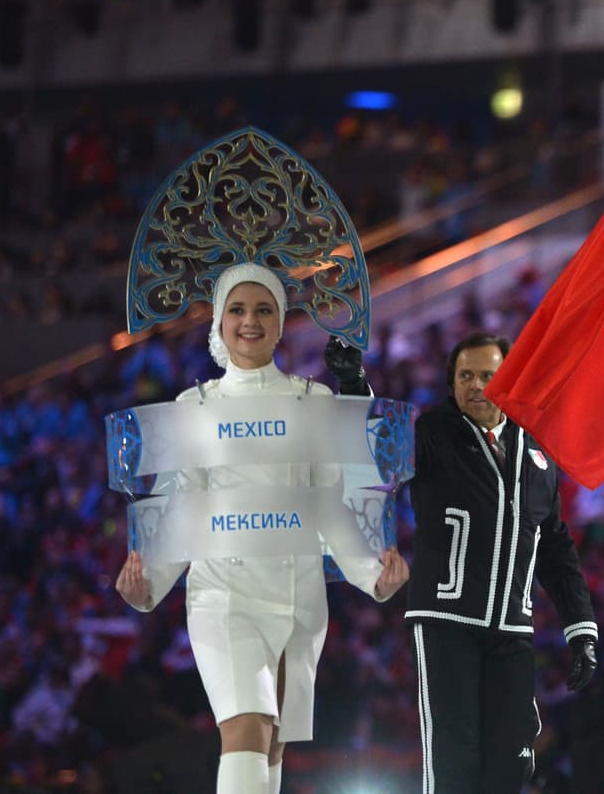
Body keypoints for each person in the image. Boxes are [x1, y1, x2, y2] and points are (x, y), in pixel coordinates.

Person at [115, 262, 410, 794]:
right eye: (237, 310)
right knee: (246, 729)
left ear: (279, 323)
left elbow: (329, 503)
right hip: (224, 596)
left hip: (298, 597)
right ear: (220, 321)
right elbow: (182, 505)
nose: (249, 321)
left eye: (263, 310)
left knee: (271, 741)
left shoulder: (313, 402)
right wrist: (149, 585)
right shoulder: (194, 407)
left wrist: (373, 575)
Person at [405, 332, 598, 792]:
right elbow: (376, 451)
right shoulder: (431, 435)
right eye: (465, 375)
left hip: (512, 630)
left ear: (510, 379)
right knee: (455, 761)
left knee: (513, 761)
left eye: (488, 376)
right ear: (451, 383)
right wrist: (356, 386)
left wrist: (581, 628)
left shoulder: (537, 454)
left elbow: (554, 546)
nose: (475, 386)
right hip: (446, 623)